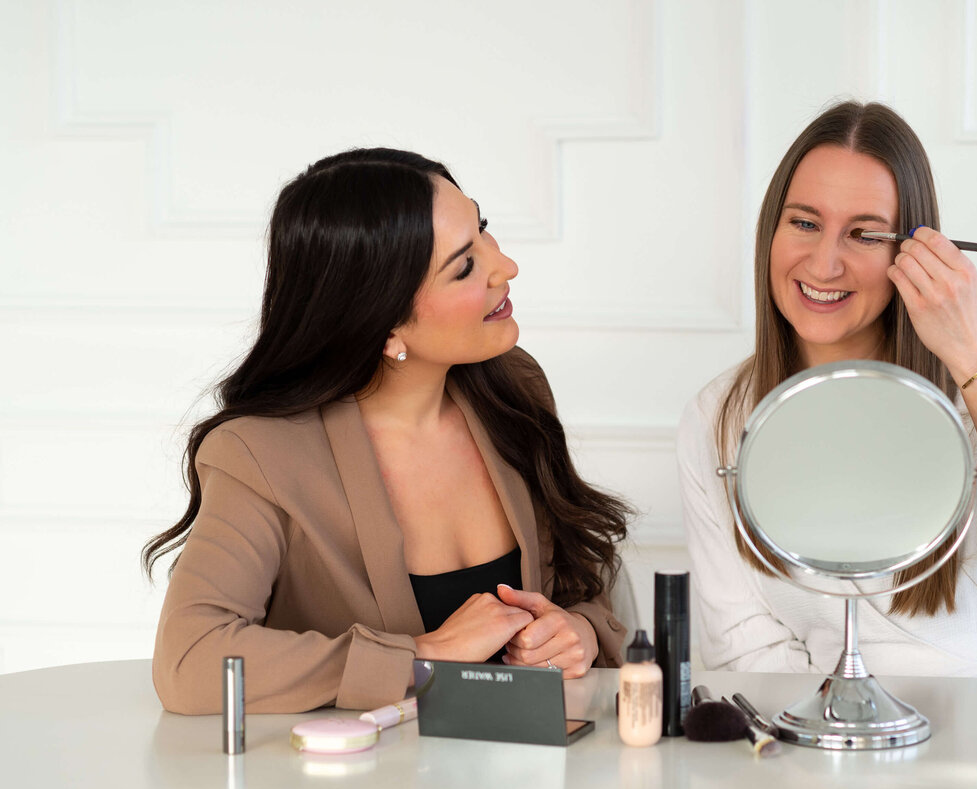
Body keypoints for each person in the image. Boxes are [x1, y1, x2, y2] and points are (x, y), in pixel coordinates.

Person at [144, 148, 632, 714]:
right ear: (384, 322)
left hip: (532, 756)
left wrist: (577, 633)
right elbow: (190, 660)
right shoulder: (261, 454)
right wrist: (422, 656)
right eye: (464, 266)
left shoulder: (513, 389)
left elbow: (578, 582)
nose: (506, 266)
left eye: (483, 229)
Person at [678, 101, 977, 679]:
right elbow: (743, 650)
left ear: (909, 249)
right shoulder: (717, 417)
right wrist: (848, 722)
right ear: (770, 231)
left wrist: (973, 357)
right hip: (831, 724)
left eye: (864, 234)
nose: (825, 265)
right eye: (804, 223)